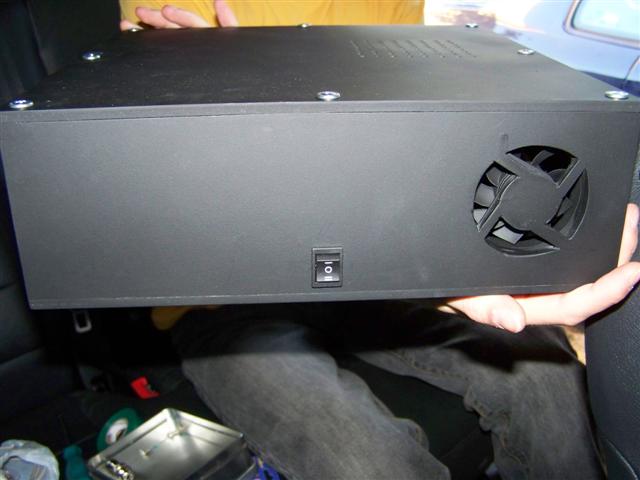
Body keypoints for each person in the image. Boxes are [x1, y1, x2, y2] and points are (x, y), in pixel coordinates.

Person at [119, 2, 640, 478]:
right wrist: (190, 77)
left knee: (548, 384)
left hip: (381, 271)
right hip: (224, 300)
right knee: (366, 464)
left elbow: (410, 128)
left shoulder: (388, 6)